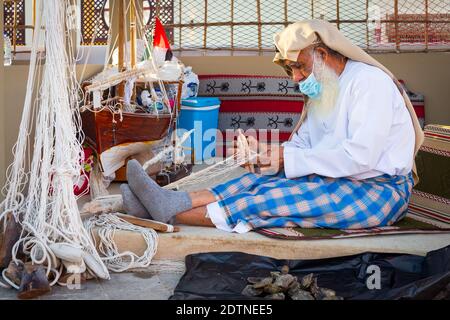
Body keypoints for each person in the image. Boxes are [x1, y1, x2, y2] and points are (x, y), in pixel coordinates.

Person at [120, 20, 424, 233]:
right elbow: (302, 146)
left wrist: (285, 159)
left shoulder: (370, 84)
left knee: (268, 200)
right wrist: (266, 154)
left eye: (299, 67)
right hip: (336, 178)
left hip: (379, 192)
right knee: (258, 181)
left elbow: (362, 158)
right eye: (292, 69)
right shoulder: (327, 88)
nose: (295, 78)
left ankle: (161, 212)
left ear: (321, 55)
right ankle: (171, 201)